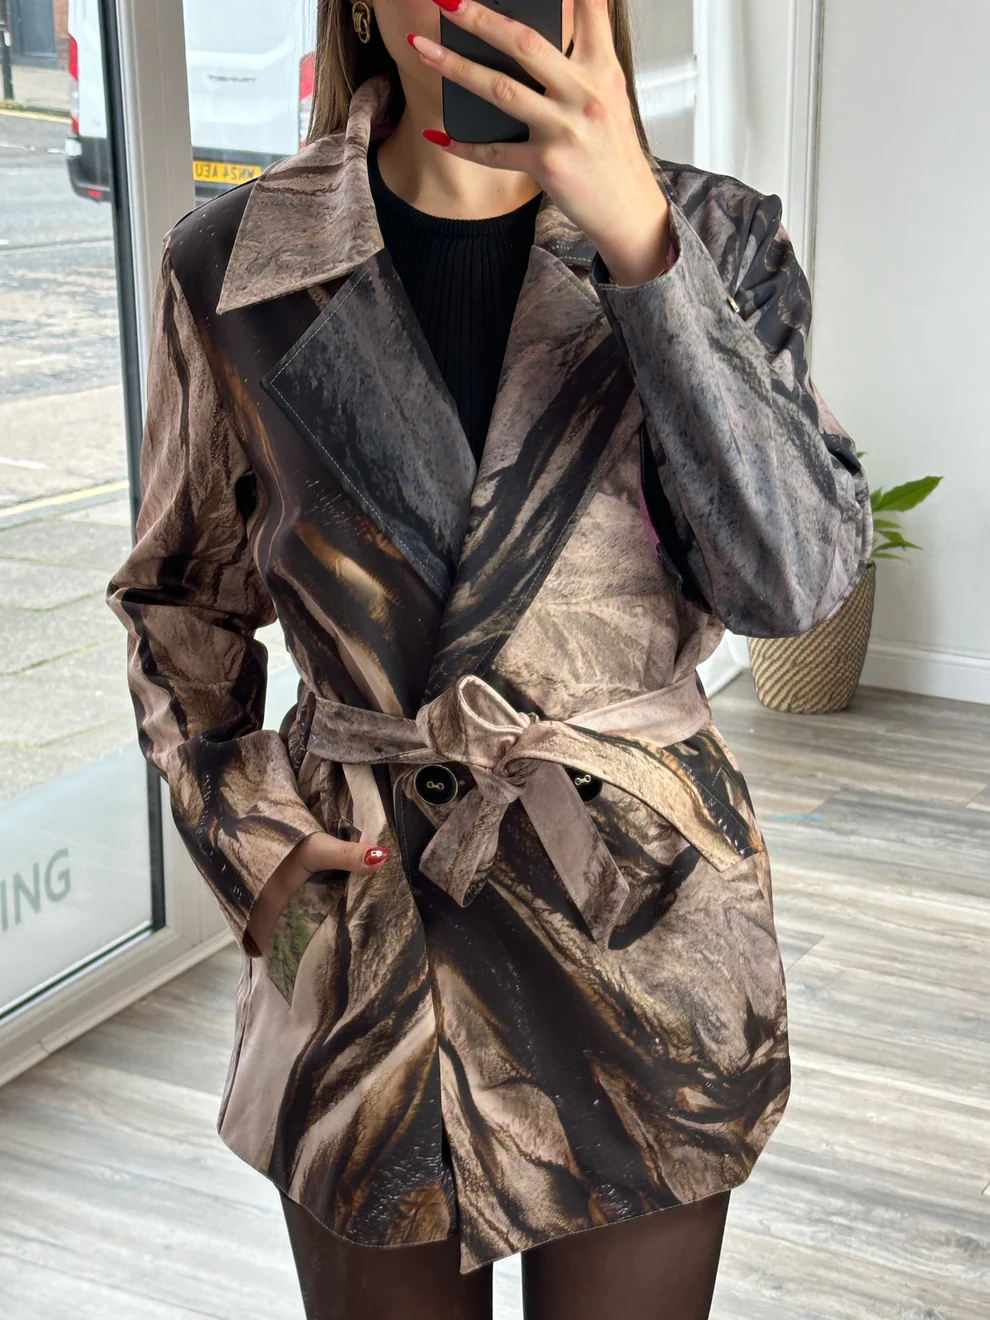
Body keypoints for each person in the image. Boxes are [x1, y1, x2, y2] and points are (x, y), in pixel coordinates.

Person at [106, 1, 873, 1316]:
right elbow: (178, 596)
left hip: (638, 922)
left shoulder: (716, 235)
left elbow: (791, 582)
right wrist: (254, 844)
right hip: (361, 930)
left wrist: (645, 250)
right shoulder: (232, 262)